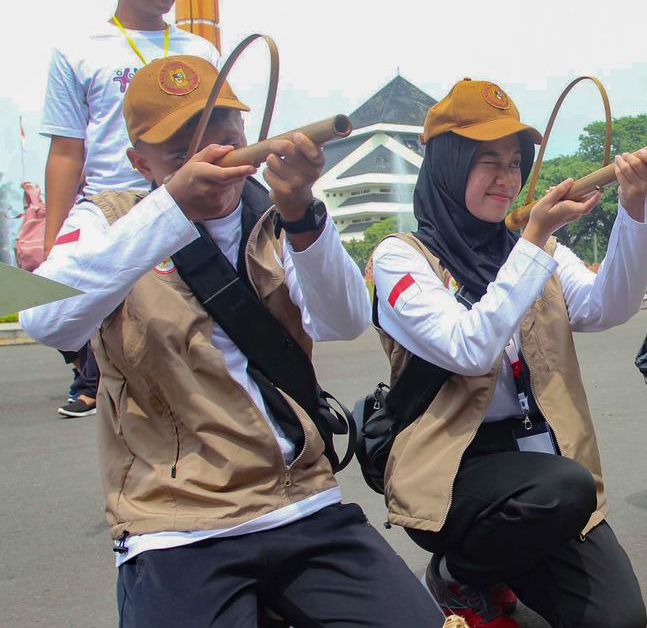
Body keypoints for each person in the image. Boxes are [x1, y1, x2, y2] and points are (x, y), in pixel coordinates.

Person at [20, 56, 442, 627]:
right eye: (181, 152)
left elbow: (342, 321)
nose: (216, 159)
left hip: (303, 500)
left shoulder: (276, 214)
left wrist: (301, 213)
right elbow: (44, 318)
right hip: (175, 522)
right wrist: (171, 208)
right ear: (138, 161)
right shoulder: (107, 219)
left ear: (249, 137)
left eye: (226, 138)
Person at [371, 79, 647, 628]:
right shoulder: (400, 259)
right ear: (448, 167)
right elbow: (469, 349)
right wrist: (534, 239)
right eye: (487, 162)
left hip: (543, 471)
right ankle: (459, 572)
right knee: (562, 487)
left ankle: (505, 563)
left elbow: (609, 306)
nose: (506, 179)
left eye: (513, 163)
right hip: (455, 465)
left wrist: (635, 206)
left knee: (619, 621)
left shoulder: (536, 249)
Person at [39, 0, 220, 418]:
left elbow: (219, 134)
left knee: (196, 332)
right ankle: (96, 382)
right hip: (115, 210)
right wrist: (56, 239)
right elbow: (66, 150)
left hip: (188, 207)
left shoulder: (200, 52)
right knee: (121, 334)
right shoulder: (79, 50)